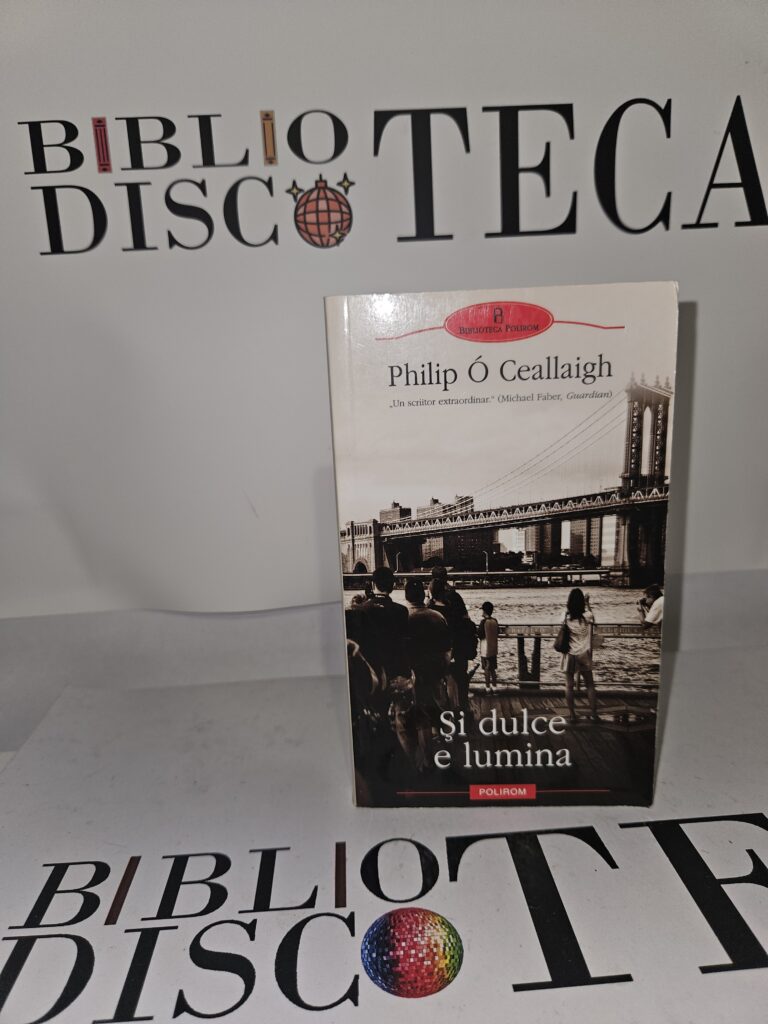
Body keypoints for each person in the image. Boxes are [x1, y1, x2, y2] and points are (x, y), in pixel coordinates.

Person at [427, 566, 475, 712]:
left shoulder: (430, 605)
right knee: (461, 678)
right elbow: (466, 620)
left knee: (439, 680)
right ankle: (463, 708)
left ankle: (443, 711)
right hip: (458, 645)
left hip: (439, 648)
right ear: (446, 577)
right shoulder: (455, 597)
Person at [356, 566, 410, 687]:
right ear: (392, 586)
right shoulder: (401, 611)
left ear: (373, 584)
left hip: (370, 670)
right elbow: (404, 643)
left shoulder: (361, 610)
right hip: (394, 669)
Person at [561, 588, 598, 723]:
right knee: (590, 685)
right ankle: (594, 714)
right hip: (584, 653)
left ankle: (572, 715)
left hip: (570, 653)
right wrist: (588, 604)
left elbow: (562, 627)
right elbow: (594, 621)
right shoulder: (587, 615)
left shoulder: (565, 616)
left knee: (569, 686)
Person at [479, 601, 499, 691]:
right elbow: (497, 632)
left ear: (484, 611)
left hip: (485, 649)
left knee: (486, 668)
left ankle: (487, 687)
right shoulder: (495, 621)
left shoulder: (483, 622)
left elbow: (480, 635)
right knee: (493, 669)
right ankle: (495, 687)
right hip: (493, 648)